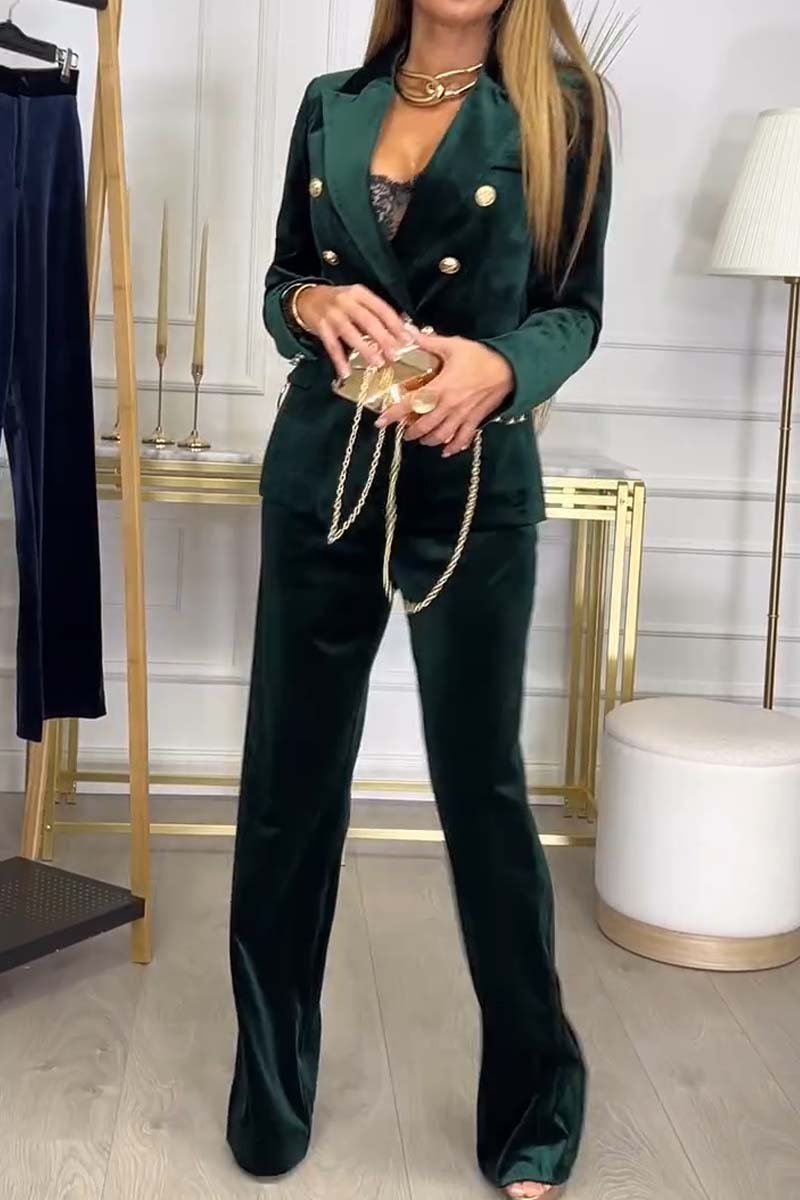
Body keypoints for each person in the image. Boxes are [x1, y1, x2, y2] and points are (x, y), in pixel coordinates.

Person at [227, 1, 611, 1196]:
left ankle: (536, 1103)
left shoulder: (559, 110)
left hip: (471, 480)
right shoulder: (331, 104)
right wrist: (306, 307)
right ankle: (269, 1092)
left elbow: (575, 310)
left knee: (481, 791)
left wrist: (502, 365)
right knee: (287, 786)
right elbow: (286, 278)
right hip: (322, 469)